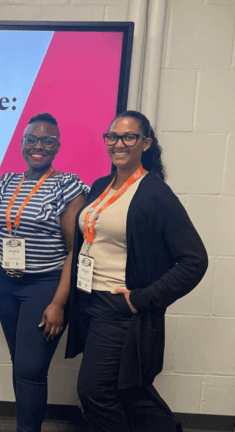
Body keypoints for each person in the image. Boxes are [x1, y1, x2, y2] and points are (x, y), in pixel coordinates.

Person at [65, 111, 207, 431]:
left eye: (129, 137)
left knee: (94, 393)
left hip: (118, 307)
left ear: (145, 143)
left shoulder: (154, 193)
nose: (119, 144)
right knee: (127, 391)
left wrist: (141, 299)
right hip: (89, 300)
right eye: (112, 136)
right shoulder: (100, 185)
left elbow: (194, 260)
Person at [0, 113, 88, 432]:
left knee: (31, 367)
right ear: (23, 143)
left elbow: (75, 250)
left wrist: (59, 303)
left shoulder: (68, 186)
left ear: (57, 147)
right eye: (32, 139)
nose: (38, 146)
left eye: (47, 141)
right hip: (7, 286)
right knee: (21, 364)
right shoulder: (5, 183)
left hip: (46, 286)